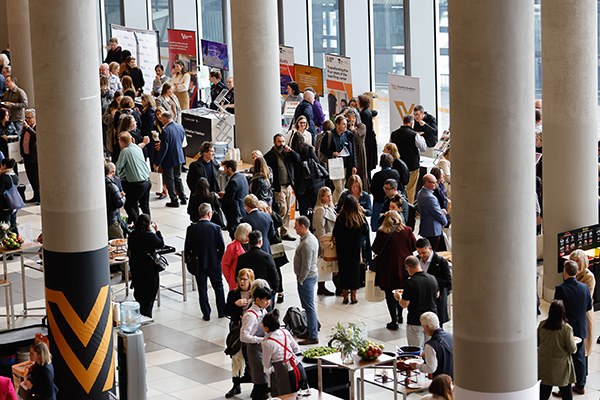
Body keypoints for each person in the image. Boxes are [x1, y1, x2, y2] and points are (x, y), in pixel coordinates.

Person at [554, 260, 592, 395]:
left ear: (565, 272)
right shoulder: (584, 288)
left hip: (565, 329)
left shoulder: (561, 289)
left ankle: (565, 389)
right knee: (580, 357)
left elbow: (556, 312)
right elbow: (589, 307)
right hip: (580, 328)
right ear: (576, 272)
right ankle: (581, 385)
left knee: (564, 359)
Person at [372, 211, 416, 330]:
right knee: (401, 291)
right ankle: (400, 315)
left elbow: (375, 248)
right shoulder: (407, 230)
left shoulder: (382, 232)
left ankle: (393, 320)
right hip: (403, 267)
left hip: (387, 269)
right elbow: (414, 245)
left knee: (389, 294)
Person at [184, 203, 226, 321]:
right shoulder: (215, 228)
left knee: (202, 289)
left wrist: (188, 261)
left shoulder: (192, 228)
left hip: (198, 264)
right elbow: (221, 247)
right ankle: (221, 311)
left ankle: (206, 313)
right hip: (213, 262)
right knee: (218, 287)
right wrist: (218, 259)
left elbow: (187, 248)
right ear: (209, 213)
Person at [333, 195, 370, 305]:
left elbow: (335, 233)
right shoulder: (359, 218)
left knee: (343, 271)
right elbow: (365, 232)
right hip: (355, 249)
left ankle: (345, 296)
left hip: (342, 249)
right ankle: (353, 296)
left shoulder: (340, 218)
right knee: (354, 272)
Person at [261, 309, 308, 396]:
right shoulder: (285, 332)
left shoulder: (267, 343)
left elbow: (266, 364)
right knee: (302, 396)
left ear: (267, 327)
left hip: (284, 372)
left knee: (286, 396)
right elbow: (296, 348)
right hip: (298, 367)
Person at [224, 268, 255, 398]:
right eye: (240, 279)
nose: (242, 282)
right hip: (237, 330)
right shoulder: (233, 294)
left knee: (252, 358)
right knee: (236, 357)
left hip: (252, 330)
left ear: (251, 280)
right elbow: (226, 311)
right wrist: (236, 305)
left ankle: (256, 384)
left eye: (245, 279)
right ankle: (236, 384)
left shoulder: (255, 295)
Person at [395, 255, 439, 348]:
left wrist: (399, 297)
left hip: (416, 320)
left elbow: (404, 304)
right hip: (431, 318)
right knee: (430, 348)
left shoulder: (410, 282)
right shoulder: (432, 278)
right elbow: (437, 295)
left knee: (416, 349)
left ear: (408, 267)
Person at [264, 134, 300, 241]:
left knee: (288, 210)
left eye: (283, 141)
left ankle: (284, 232)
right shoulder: (269, 156)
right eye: (279, 142)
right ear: (274, 142)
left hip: (288, 185)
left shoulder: (286, 153)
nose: (281, 144)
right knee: (282, 209)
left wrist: (291, 151)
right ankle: (275, 231)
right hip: (278, 187)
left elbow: (298, 160)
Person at [538, 300, 577, 400]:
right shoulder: (566, 329)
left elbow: (538, 343)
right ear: (563, 312)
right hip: (561, 367)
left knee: (544, 392)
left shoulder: (542, 325)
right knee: (566, 392)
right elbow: (572, 349)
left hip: (545, 365)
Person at [127, 214, 164, 318]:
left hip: (136, 268)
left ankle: (140, 314)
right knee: (149, 294)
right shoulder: (150, 236)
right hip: (149, 269)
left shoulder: (132, 235)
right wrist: (158, 231)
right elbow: (161, 244)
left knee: (139, 292)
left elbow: (130, 250)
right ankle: (146, 315)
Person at [240, 285, 272, 400]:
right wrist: (261, 340)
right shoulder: (250, 316)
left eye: (269, 299)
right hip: (255, 351)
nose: (268, 302)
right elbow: (243, 337)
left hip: (264, 349)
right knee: (261, 381)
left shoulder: (263, 310)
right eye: (266, 300)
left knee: (265, 380)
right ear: (257, 300)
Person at [293, 216, 319, 345]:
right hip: (308, 278)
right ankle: (309, 330)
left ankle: (313, 335)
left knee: (309, 307)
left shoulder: (307, 243)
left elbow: (306, 265)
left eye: (296, 225)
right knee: (307, 307)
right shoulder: (308, 239)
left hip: (307, 279)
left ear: (303, 226)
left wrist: (301, 280)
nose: (294, 228)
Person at [115, 132, 151, 223]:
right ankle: (148, 225)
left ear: (122, 142)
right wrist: (121, 175)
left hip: (138, 184)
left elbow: (118, 167)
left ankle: (137, 224)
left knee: (128, 206)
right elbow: (132, 166)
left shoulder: (125, 151)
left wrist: (114, 178)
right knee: (144, 205)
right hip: (147, 181)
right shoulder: (137, 147)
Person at [390, 114, 427, 204]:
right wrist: (423, 140)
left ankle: (398, 207)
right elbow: (423, 148)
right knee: (410, 191)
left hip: (398, 166)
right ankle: (408, 210)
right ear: (412, 123)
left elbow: (391, 148)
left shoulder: (394, 134)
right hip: (412, 166)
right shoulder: (414, 135)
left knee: (399, 188)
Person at [416, 238, 452, 327]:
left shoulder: (441, 262)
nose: (421, 255)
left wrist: (429, 281)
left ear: (430, 249)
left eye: (423, 252)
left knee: (437, 328)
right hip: (421, 300)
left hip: (436, 300)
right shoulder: (417, 260)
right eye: (419, 252)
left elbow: (448, 282)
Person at [320, 115, 357, 203]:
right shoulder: (330, 135)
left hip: (345, 164)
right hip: (335, 165)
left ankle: (333, 204)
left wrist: (354, 165)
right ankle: (335, 205)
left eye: (346, 124)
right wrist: (333, 153)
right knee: (339, 188)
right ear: (337, 125)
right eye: (343, 124)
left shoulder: (348, 135)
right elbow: (323, 149)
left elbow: (353, 151)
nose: (345, 126)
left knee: (342, 187)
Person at [154, 111, 187, 207]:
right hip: (179, 156)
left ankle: (174, 200)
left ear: (165, 119)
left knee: (169, 180)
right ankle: (183, 197)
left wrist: (157, 162)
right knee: (178, 178)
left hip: (169, 159)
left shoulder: (165, 130)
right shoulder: (179, 127)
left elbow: (164, 148)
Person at [290, 133, 327, 216]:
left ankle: (304, 220)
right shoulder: (308, 148)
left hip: (298, 181)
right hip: (310, 180)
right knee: (313, 202)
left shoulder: (291, 151)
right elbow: (316, 161)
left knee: (303, 204)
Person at [235, 231, 280, 299]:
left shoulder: (241, 258)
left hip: (248, 293)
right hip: (264, 292)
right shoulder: (267, 257)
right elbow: (274, 276)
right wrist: (274, 291)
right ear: (260, 241)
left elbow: (237, 276)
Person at [569, 250, 595, 356]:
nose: (575, 263)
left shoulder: (588, 277)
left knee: (583, 348)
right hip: (572, 314)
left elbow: (586, 298)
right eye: (573, 260)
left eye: (577, 261)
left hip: (584, 315)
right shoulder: (571, 274)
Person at [313, 187, 337, 296]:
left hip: (330, 240)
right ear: (322, 197)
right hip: (325, 242)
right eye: (327, 196)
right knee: (323, 264)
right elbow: (319, 229)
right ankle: (321, 287)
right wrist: (323, 244)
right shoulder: (320, 210)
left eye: (330, 195)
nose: (330, 197)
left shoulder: (330, 207)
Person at [219, 159, 249, 239]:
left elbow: (228, 200)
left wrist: (218, 199)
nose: (224, 171)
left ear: (230, 169)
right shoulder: (242, 177)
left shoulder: (233, 181)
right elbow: (238, 193)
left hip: (235, 212)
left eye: (225, 169)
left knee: (234, 234)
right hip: (242, 209)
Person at [417, 174, 448, 251]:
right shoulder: (430, 197)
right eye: (433, 183)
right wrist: (445, 221)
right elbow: (437, 213)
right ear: (427, 183)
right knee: (435, 252)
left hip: (427, 227)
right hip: (433, 230)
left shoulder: (420, 193)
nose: (436, 184)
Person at [419, 312, 453, 378]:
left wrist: (417, 366)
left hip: (441, 381)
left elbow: (431, 368)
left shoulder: (430, 345)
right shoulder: (451, 336)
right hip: (454, 379)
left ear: (427, 327)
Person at [370, 153, 400, 231]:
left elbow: (373, 189)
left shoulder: (377, 175)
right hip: (392, 202)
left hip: (379, 202)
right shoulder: (395, 173)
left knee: (378, 225)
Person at [222, 223, 252, 290]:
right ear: (243, 233)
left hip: (250, 280)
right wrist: (229, 279)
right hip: (236, 281)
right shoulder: (232, 246)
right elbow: (225, 264)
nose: (250, 234)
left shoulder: (252, 243)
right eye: (248, 232)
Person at [346, 108, 369, 192]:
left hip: (360, 151)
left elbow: (357, 137)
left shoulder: (362, 126)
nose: (348, 119)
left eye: (350, 116)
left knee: (361, 172)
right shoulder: (347, 126)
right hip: (351, 151)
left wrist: (352, 128)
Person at [19, 109, 39, 203]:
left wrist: (27, 127)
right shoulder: (25, 127)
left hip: (34, 157)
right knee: (30, 177)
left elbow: (35, 136)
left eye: (30, 117)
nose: (28, 120)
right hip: (26, 156)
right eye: (27, 118)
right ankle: (35, 195)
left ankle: (40, 197)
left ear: (35, 117)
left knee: (37, 178)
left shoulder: (36, 127)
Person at [357, 94, 378, 178]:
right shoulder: (366, 112)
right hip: (370, 140)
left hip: (367, 142)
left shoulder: (364, 114)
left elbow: (364, 128)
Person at [105, 161, 125, 239]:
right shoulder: (111, 185)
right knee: (119, 240)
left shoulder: (100, 183)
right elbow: (120, 203)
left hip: (106, 217)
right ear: (110, 172)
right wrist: (121, 196)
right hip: (112, 218)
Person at [0, 158, 18, 233]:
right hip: (13, 204)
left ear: (4, 165)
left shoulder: (4, 177)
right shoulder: (14, 175)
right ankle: (17, 239)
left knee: (5, 226)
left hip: (5, 204)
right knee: (13, 224)